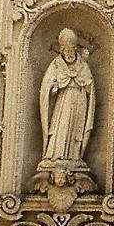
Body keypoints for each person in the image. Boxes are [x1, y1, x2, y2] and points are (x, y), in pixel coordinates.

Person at [38, 27, 95, 173]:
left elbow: (90, 87)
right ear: (62, 50)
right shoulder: (56, 65)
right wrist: (53, 89)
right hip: (62, 101)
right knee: (60, 127)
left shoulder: (83, 65)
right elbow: (47, 87)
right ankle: (55, 155)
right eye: (66, 50)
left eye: (71, 50)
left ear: (75, 49)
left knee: (77, 130)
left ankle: (75, 156)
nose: (69, 53)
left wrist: (87, 84)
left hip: (79, 100)